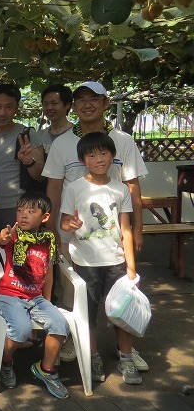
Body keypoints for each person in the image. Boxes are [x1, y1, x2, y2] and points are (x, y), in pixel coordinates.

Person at [43, 82, 149, 370]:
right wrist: (52, 232)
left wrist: (138, 229)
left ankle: (126, 350)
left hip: (114, 238)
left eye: (94, 99)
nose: (87, 104)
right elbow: (54, 189)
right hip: (73, 237)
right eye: (81, 100)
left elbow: (132, 186)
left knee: (121, 296)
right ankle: (78, 343)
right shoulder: (62, 144)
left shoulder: (122, 141)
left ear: (105, 103)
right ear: (73, 106)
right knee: (76, 295)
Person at [60, 132, 141, 385]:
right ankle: (93, 356)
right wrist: (71, 224)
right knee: (89, 314)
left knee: (122, 312)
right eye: (92, 155)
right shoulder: (74, 188)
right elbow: (64, 222)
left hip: (116, 261)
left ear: (113, 156)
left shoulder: (120, 189)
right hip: (85, 263)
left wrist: (131, 266)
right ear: (82, 159)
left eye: (104, 153)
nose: (99, 159)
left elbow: (125, 229)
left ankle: (126, 357)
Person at [0, 192, 70, 398]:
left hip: (35, 298)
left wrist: (47, 301)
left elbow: (49, 274)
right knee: (21, 329)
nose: (23, 215)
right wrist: (3, 236)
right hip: (9, 295)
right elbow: (1, 240)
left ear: (45, 217)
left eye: (30, 211)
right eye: (20, 210)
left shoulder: (48, 241)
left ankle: (46, 369)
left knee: (60, 325)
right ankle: (6, 362)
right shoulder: (14, 235)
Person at [0, 83, 46, 241]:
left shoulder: (27, 134)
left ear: (16, 109)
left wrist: (29, 162)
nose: (2, 113)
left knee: (16, 254)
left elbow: (40, 176)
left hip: (16, 209)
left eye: (8, 107)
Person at [33, 84, 74, 153]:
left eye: (54, 103)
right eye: (45, 104)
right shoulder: (39, 136)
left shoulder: (77, 134)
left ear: (67, 105)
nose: (49, 108)